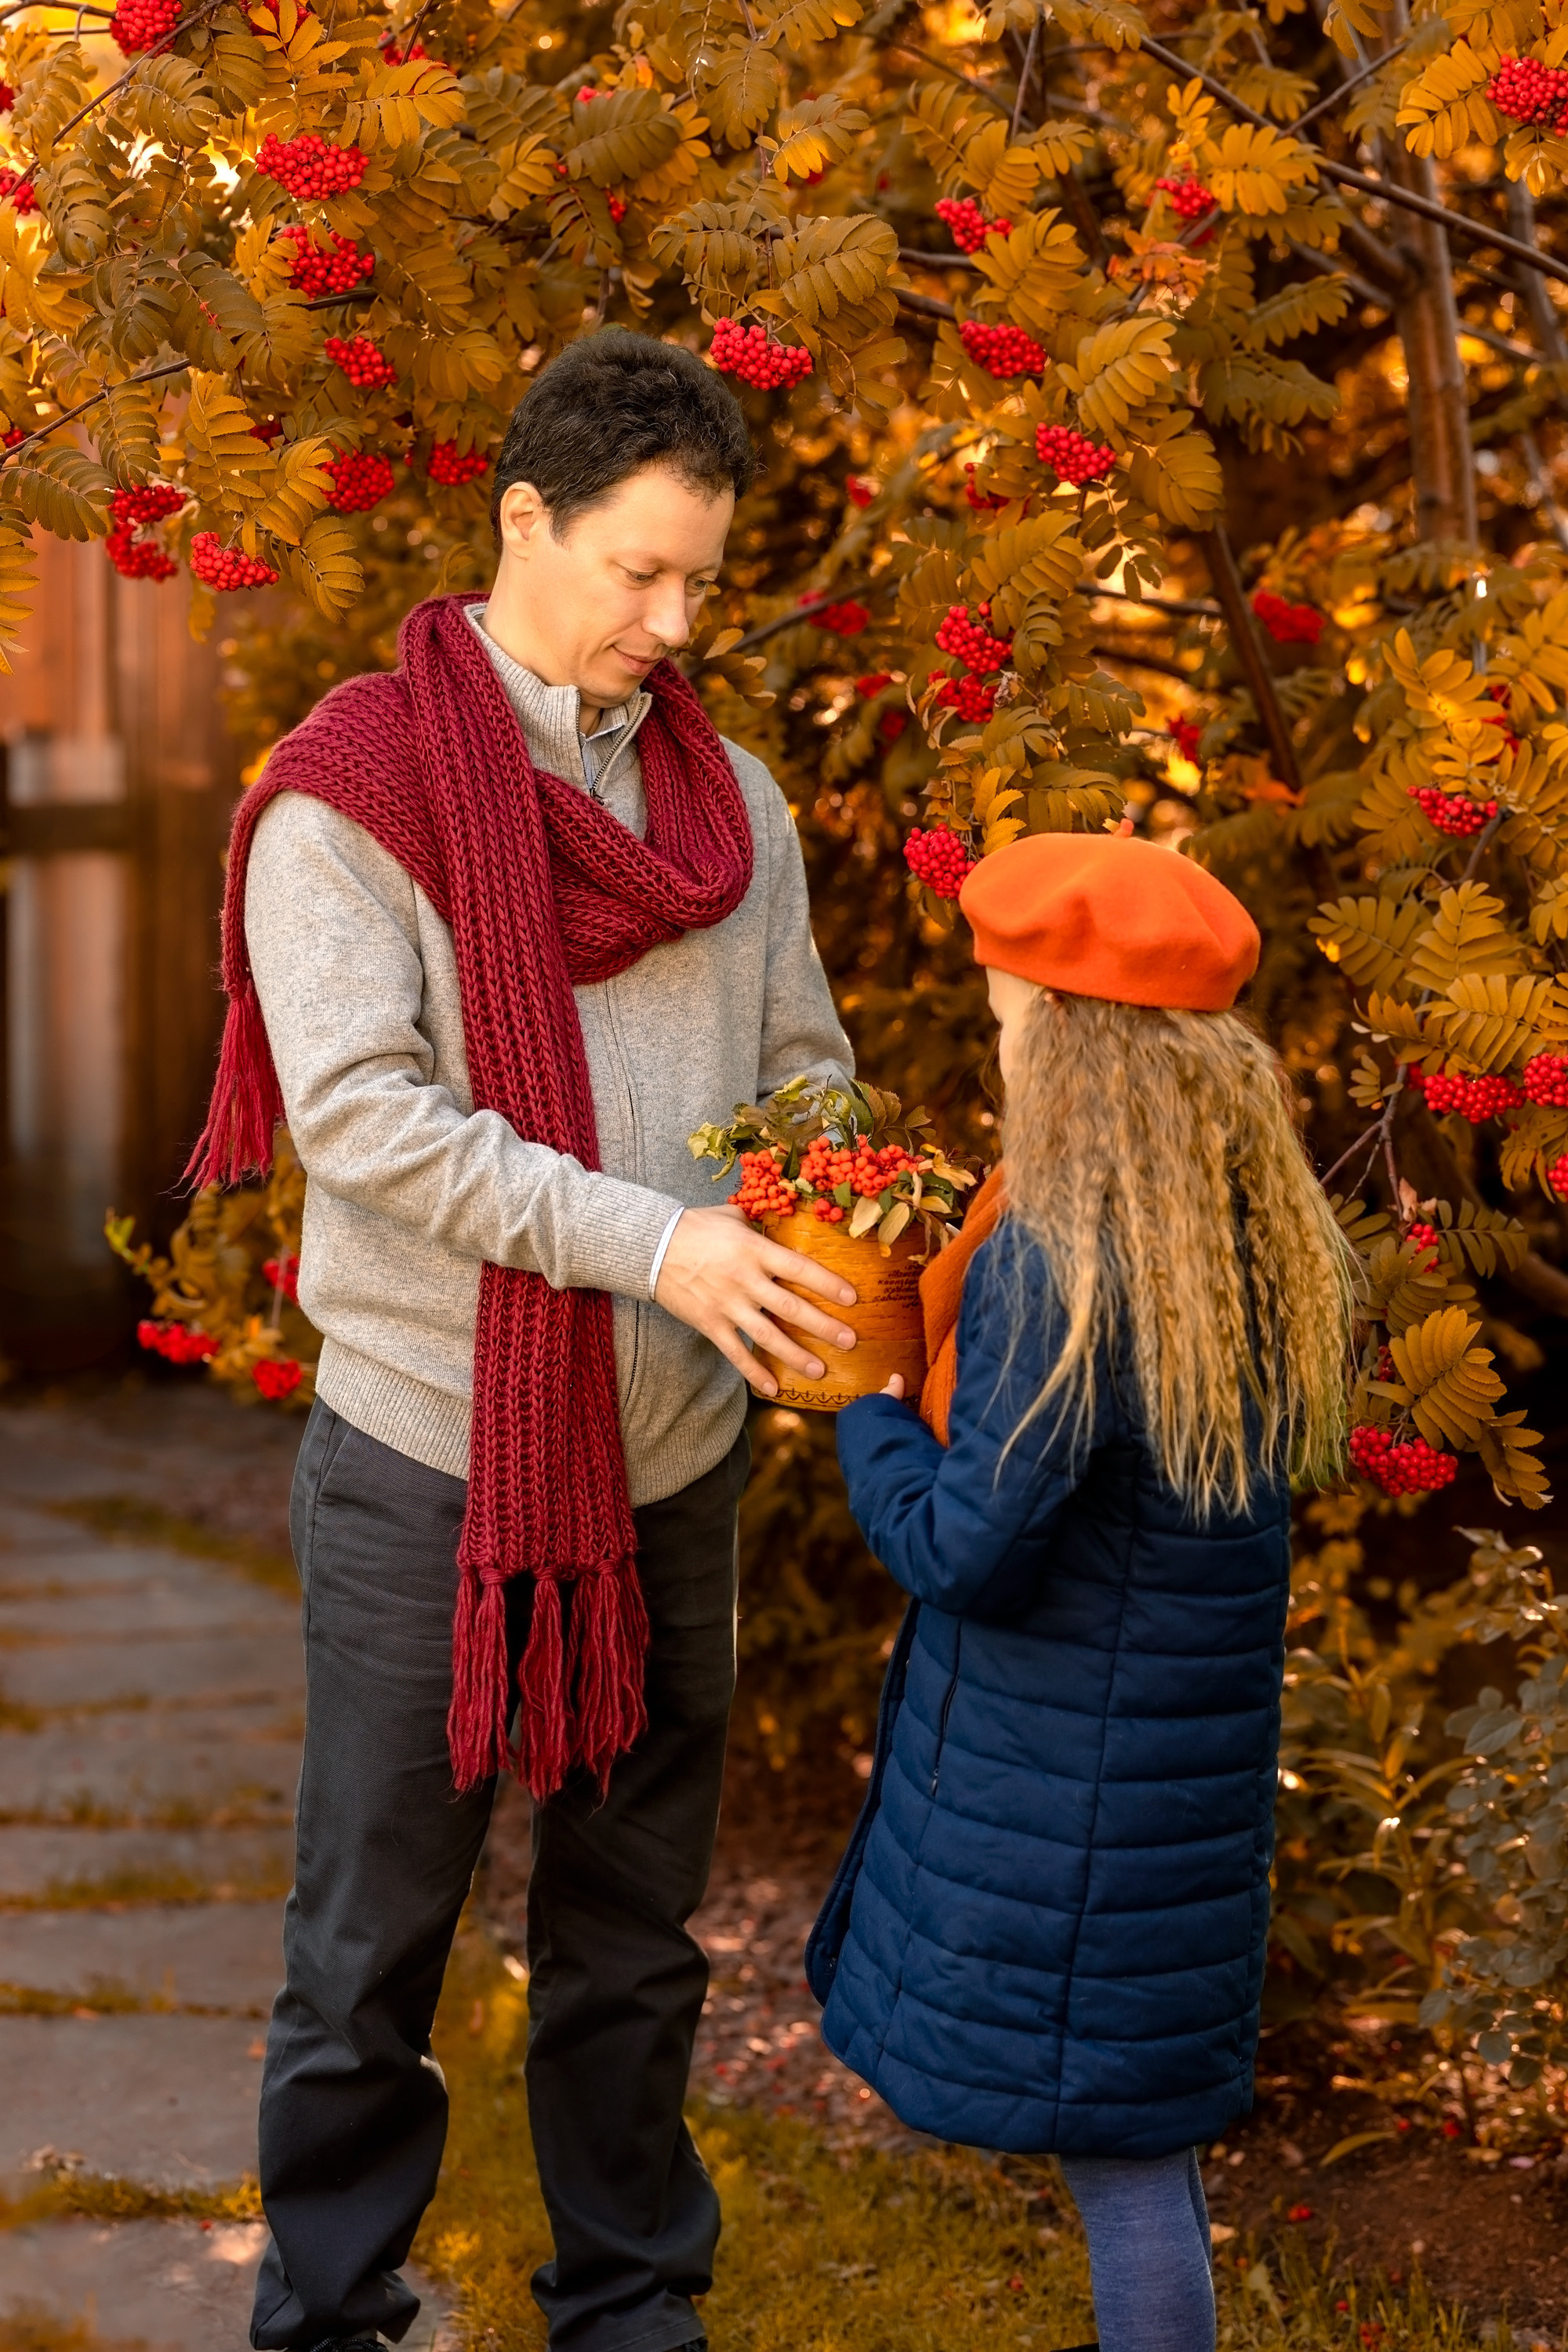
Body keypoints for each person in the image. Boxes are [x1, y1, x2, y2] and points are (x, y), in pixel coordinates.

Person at [191, 330, 859, 2352]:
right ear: (522, 524)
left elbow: (806, 1078)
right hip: (425, 1460)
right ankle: (324, 2313)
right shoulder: (356, 793)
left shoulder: (726, 811)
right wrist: (657, 1244)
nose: (672, 623)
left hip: (669, 1452)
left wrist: (838, 1216)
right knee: (372, 1940)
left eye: (700, 586)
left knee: (633, 1941)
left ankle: (633, 2311)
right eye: (637, 573)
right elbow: (369, 1125)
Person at [806, 830, 1356, 2352]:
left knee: (1121, 2165)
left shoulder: (1055, 1259)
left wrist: (868, 1390)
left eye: (1001, 1018)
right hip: (1158, 1770)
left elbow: (967, 1546)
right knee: (1138, 2147)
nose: (997, 1048)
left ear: (1068, 1033)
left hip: (1077, 1785)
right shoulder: (1237, 1235)